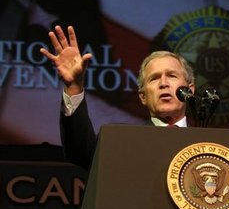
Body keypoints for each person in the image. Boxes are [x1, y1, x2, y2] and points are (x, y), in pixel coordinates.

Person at [40, 25, 195, 169]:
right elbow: (81, 153)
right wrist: (74, 86)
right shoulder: (121, 141)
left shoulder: (209, 143)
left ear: (190, 90)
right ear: (143, 97)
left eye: (172, 76)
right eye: (154, 78)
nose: (163, 83)